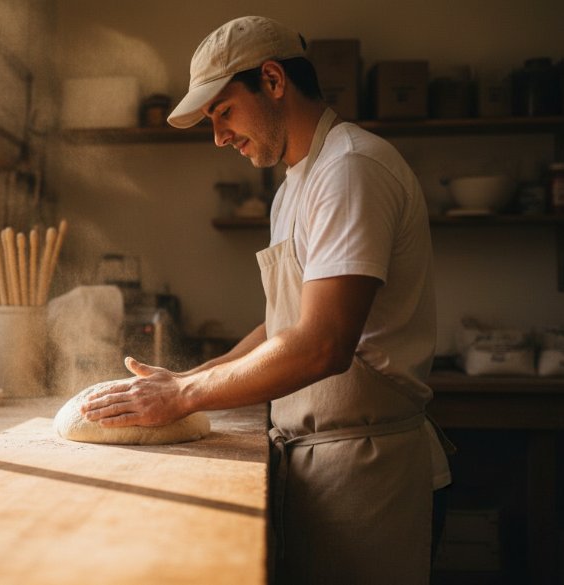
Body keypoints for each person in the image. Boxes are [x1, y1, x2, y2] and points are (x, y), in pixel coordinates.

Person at [80, 15, 453, 584]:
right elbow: (287, 327)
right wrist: (188, 379)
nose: (219, 137)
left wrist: (184, 396)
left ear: (273, 81)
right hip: (311, 461)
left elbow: (322, 345)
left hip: (367, 470)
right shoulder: (294, 188)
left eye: (224, 112)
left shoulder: (350, 169)